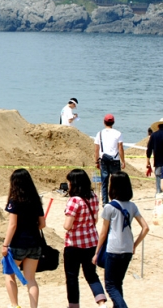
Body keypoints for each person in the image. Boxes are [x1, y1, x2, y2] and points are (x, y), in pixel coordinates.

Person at [93, 172, 149, 308]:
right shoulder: (132, 206)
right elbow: (145, 228)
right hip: (128, 249)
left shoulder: (109, 207)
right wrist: (135, 245)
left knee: (110, 286)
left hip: (114, 249)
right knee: (118, 284)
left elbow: (103, 233)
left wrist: (96, 253)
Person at [63, 169, 107, 308]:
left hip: (74, 244)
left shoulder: (74, 200)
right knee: (91, 275)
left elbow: (67, 225)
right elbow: (95, 220)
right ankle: (101, 302)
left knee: (72, 278)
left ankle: (74, 305)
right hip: (91, 242)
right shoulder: (94, 197)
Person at [2, 169, 45, 308]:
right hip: (35, 242)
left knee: (9, 274)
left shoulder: (15, 200)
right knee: (31, 279)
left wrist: (5, 244)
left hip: (18, 243)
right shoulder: (36, 199)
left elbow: (12, 225)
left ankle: (15, 305)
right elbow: (42, 224)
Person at [94, 114, 125, 204]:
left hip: (103, 160)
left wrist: (96, 161)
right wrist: (123, 161)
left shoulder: (99, 133)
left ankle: (105, 202)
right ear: (113, 122)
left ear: (104, 122)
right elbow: (120, 148)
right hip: (115, 160)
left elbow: (96, 149)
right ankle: (115, 199)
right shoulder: (118, 133)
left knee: (104, 181)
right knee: (116, 182)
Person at [146, 119, 163, 194]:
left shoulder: (154, 135)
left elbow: (149, 149)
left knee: (158, 179)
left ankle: (158, 193)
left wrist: (148, 162)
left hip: (158, 162)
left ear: (158, 126)